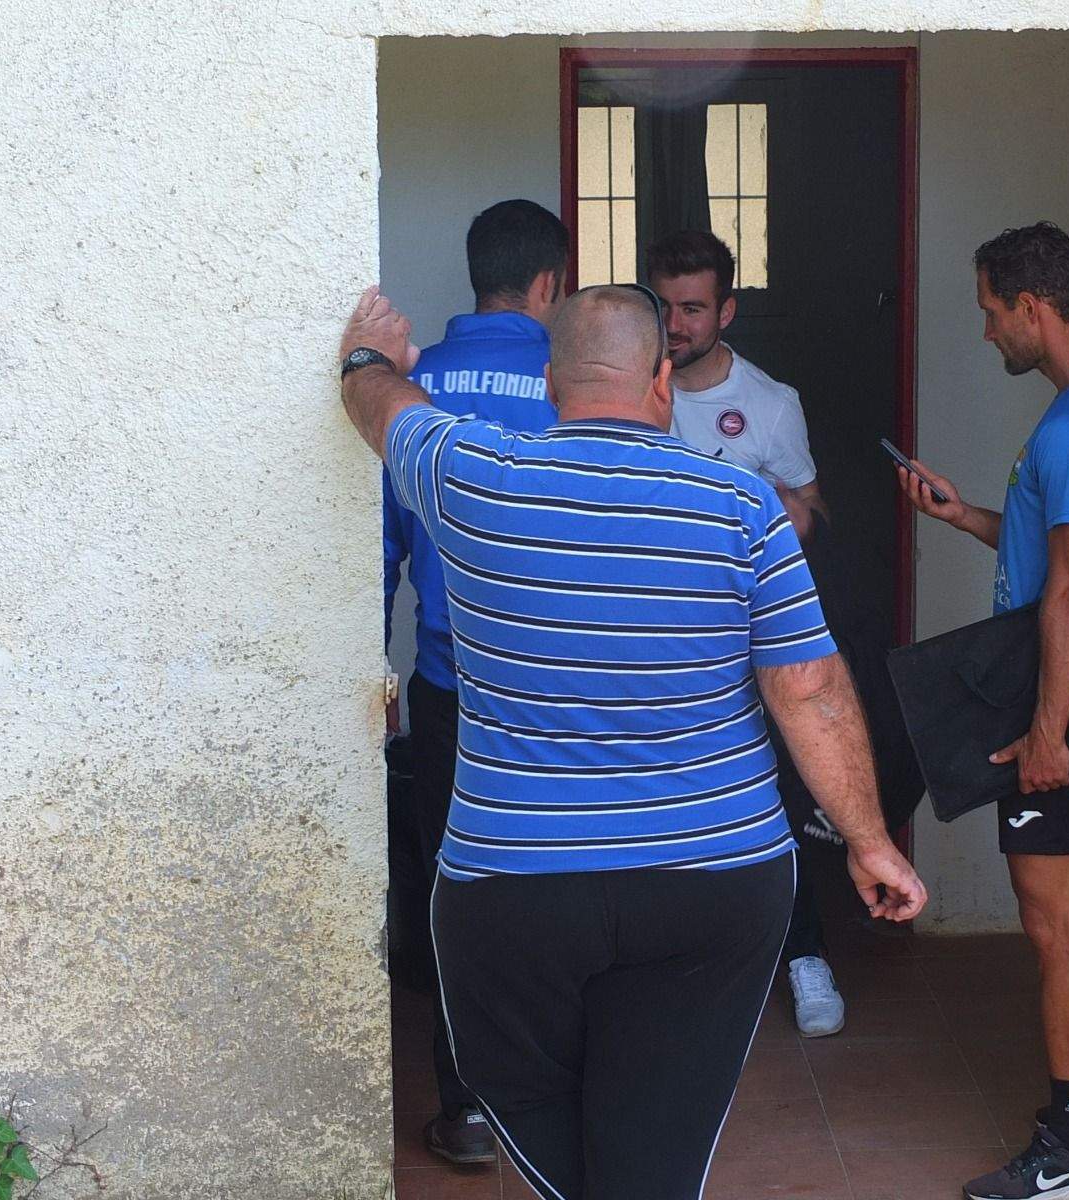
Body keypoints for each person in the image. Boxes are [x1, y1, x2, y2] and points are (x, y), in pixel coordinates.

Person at [341, 282, 928, 1200]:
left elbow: (386, 412)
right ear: (661, 379)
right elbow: (808, 688)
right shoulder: (741, 507)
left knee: (538, 1114)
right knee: (653, 1151)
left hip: (514, 894)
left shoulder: (471, 474)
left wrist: (367, 357)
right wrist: (870, 840)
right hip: (711, 885)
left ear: (550, 381)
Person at [897, 223, 1069, 1200]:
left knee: (1054, 921)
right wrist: (965, 513)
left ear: (1032, 308)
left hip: (1067, 698)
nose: (985, 334)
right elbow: (1053, 552)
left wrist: (1047, 729)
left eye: (988, 312)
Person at [382, 198, 569, 1166]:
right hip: (560, 698)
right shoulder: (579, 386)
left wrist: (371, 688)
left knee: (458, 893)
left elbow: (373, 560)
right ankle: (554, 1097)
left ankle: (463, 1108)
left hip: (450, 690)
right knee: (565, 888)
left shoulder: (412, 391)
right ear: (548, 285)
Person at [646, 229, 846, 1038]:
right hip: (656, 644)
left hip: (748, 644)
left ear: (725, 308)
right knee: (662, 803)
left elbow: (815, 516)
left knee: (778, 799)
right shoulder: (628, 391)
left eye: (693, 307)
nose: (676, 323)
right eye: (661, 305)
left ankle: (805, 957)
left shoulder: (770, 403)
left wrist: (770, 508)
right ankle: (674, 973)